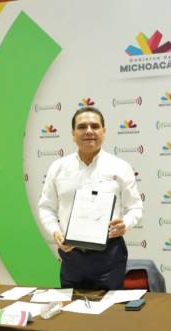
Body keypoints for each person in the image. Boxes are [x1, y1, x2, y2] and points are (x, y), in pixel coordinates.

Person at [38, 106, 143, 290]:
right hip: (71, 255)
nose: (89, 131)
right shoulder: (58, 168)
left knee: (110, 307)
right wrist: (55, 231)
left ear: (104, 131)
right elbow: (46, 207)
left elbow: (135, 206)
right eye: (82, 127)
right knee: (72, 305)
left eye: (95, 126)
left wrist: (125, 224)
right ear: (73, 134)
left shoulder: (120, 167)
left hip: (109, 255)